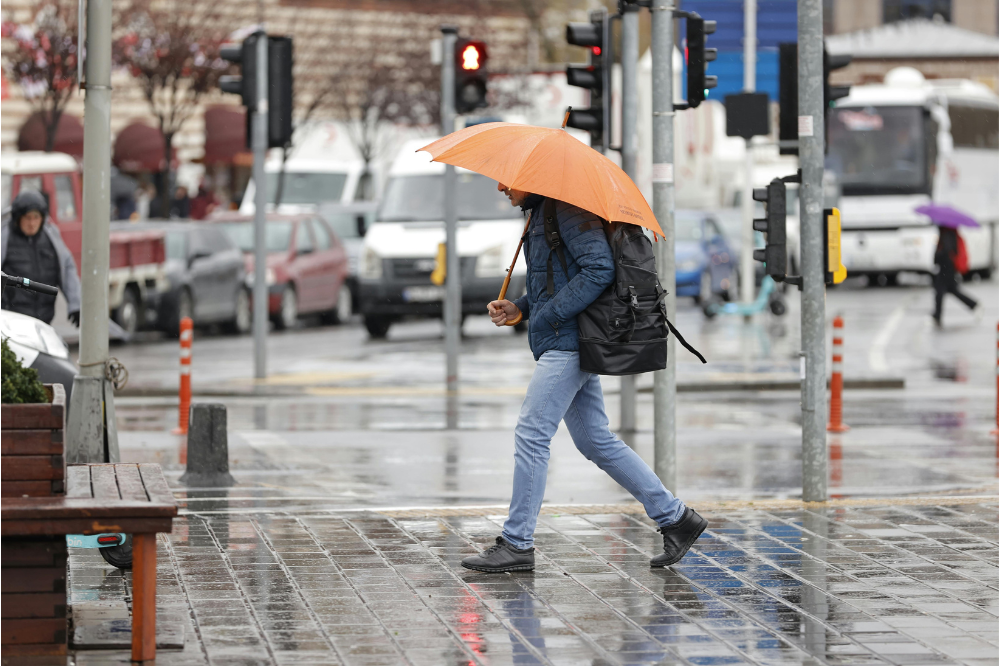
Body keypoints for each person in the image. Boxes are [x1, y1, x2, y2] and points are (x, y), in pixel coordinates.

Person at [460, 183, 707, 574]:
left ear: (534, 178)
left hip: (569, 342)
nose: (501, 186)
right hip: (563, 338)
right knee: (595, 439)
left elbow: (599, 269)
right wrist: (520, 308)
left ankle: (517, 542)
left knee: (532, 432)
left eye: (509, 180)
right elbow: (557, 278)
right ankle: (676, 519)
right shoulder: (541, 214)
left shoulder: (567, 210)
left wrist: (549, 315)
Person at [1, 191, 82, 326]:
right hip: (11, 322)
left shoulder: (52, 238)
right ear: (17, 219)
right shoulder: (4, 238)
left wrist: (76, 304)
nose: (32, 223)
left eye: (36, 217)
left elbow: (67, 268)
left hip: (44, 322)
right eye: (27, 217)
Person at [932, 226, 978, 326]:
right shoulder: (947, 232)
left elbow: (946, 252)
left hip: (947, 268)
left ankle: (937, 315)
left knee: (941, 291)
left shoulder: (947, 233)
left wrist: (937, 256)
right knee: (950, 290)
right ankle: (974, 305)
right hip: (947, 269)